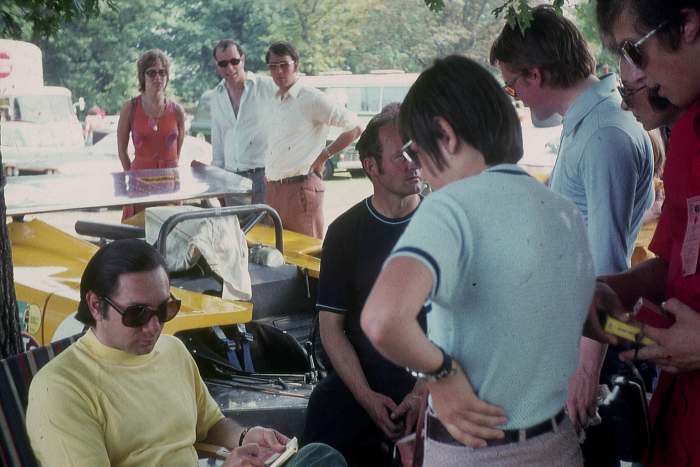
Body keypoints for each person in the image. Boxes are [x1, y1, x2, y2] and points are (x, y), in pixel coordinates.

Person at [361, 55, 595, 466]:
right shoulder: (563, 210)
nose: (421, 172)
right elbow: (591, 318)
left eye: (415, 152)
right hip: (559, 447)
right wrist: (642, 338)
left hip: (475, 453)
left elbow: (383, 319)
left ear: (445, 135)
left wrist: (441, 375)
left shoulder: (449, 209)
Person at [490, 8, 654, 465]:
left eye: (511, 84)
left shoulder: (602, 135)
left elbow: (606, 266)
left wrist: (586, 374)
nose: (514, 96)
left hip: (594, 348)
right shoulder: (588, 125)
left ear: (535, 76)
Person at [25, 239, 346, 467]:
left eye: (165, 309)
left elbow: (210, 424)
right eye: (137, 314)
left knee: (321, 456)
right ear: (96, 305)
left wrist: (247, 437)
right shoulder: (62, 390)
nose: (154, 327)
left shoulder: (172, 350)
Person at [588, 2, 700, 466]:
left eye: (634, 50)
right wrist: (612, 290)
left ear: (688, 23)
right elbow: (677, 265)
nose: (637, 77)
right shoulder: (690, 134)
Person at [303, 103, 427, 466]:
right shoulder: (345, 233)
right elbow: (331, 328)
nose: (415, 162)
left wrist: (423, 391)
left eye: (417, 150)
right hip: (363, 378)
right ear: (371, 166)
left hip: (433, 378)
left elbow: (467, 327)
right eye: (403, 155)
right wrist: (367, 398)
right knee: (324, 413)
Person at [264, 42, 361, 239]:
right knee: (279, 259)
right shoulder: (276, 99)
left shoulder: (311, 98)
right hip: (274, 190)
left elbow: (355, 127)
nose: (279, 71)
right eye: (273, 66)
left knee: (307, 260)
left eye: (284, 65)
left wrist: (323, 156)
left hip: (301, 190)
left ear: (296, 66)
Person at [116, 49, 185, 221]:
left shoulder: (177, 111)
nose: (157, 77)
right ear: (142, 76)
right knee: (139, 233)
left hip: (169, 182)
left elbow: (177, 151)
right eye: (151, 72)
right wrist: (130, 176)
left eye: (162, 72)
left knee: (169, 232)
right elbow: (122, 151)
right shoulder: (130, 108)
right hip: (139, 182)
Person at [210, 39, 277, 205]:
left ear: (243, 59)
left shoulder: (267, 86)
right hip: (231, 179)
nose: (230, 68)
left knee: (268, 229)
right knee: (237, 230)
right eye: (223, 63)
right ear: (217, 65)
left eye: (234, 61)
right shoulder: (215, 96)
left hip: (265, 176)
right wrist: (218, 180)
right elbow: (218, 141)